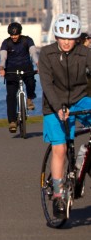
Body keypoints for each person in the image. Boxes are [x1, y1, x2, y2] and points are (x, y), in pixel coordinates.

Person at [38, 13, 91, 220]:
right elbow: (47, 84)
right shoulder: (47, 54)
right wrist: (59, 107)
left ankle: (84, 157)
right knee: (59, 148)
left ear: (77, 38)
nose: (66, 42)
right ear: (56, 37)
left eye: (70, 38)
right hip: (54, 103)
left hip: (79, 99)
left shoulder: (85, 53)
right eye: (62, 37)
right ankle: (59, 195)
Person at [0, 21, 39, 133]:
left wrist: (38, 64)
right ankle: (12, 121)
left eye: (16, 35)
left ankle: (30, 98)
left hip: (26, 68)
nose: (14, 37)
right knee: (11, 96)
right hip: (11, 70)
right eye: (12, 35)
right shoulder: (6, 43)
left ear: (20, 33)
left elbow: (33, 54)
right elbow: (3, 58)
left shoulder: (27, 40)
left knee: (31, 82)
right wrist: (1, 68)